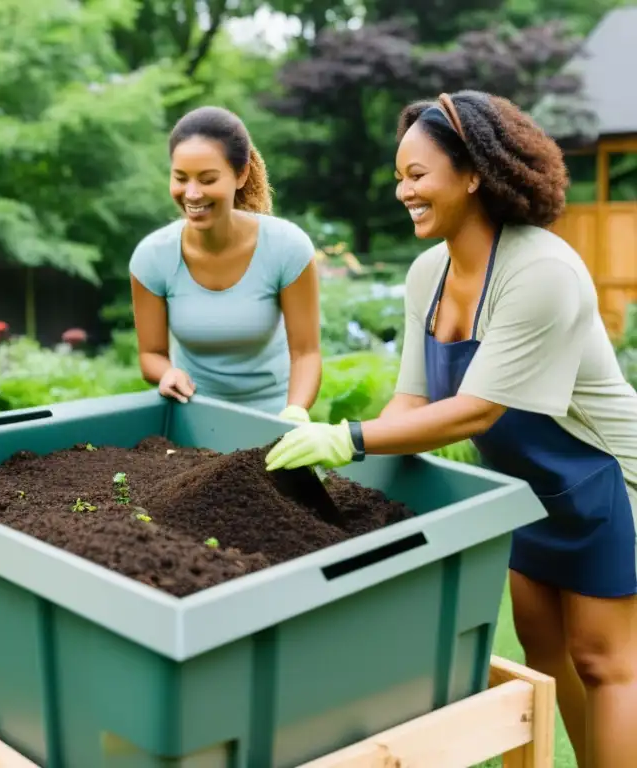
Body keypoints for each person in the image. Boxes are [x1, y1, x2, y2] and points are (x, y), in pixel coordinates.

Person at [265, 90, 637, 768]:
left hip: (606, 476)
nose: (403, 191)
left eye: (417, 175)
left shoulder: (542, 270)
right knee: (546, 651)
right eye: (399, 177)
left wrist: (348, 436)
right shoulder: (427, 274)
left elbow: (477, 408)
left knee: (604, 658)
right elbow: (411, 400)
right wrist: (338, 463)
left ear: (474, 173)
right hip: (526, 486)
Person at [129, 105, 322, 421]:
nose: (191, 194)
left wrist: (295, 413)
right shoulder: (153, 257)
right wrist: (166, 374)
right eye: (180, 178)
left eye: (207, 179)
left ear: (241, 174)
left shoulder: (287, 247)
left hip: (273, 417)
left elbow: (306, 354)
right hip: (193, 419)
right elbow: (151, 355)